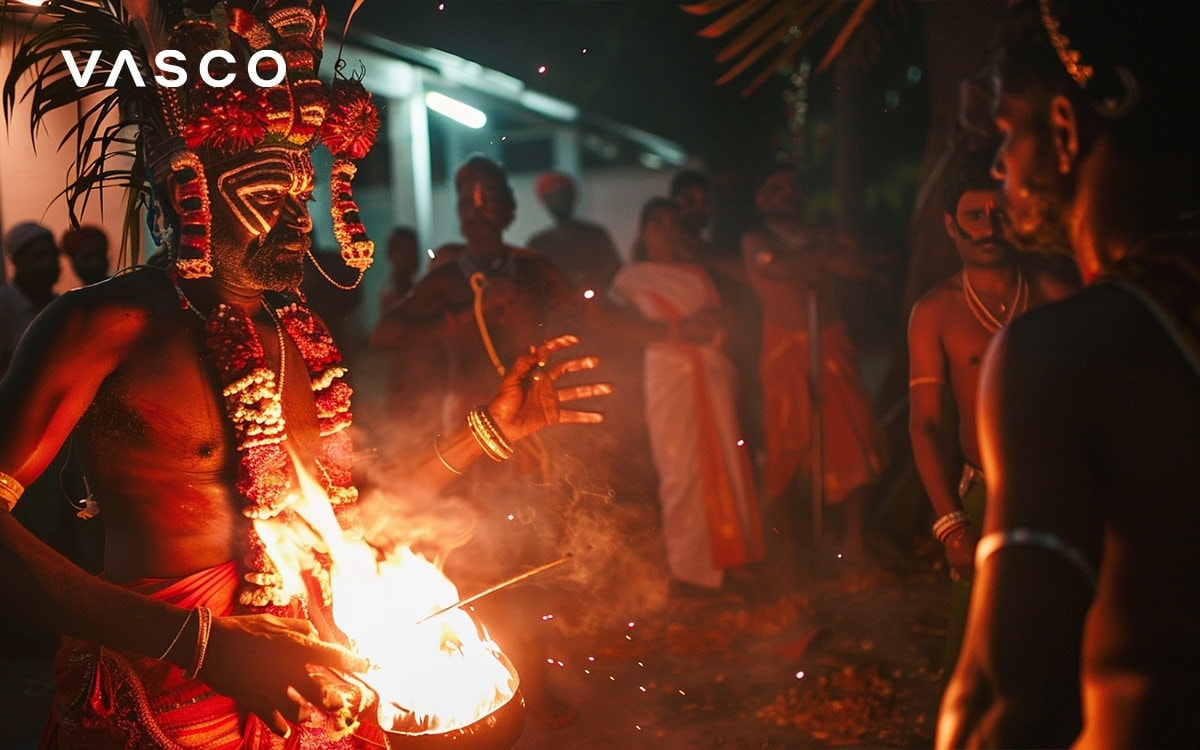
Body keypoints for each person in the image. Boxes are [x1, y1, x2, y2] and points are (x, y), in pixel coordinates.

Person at [0, 1, 607, 746]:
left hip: (311, 677)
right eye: (264, 196)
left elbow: (346, 517)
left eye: (302, 196)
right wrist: (203, 646)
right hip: (167, 692)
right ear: (181, 193)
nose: (298, 222)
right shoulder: (104, 324)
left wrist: (486, 431)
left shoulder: (295, 333)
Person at [937, 1, 1200, 746]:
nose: (997, 166)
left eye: (1002, 131)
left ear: (1063, 128)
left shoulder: (1071, 352)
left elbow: (1005, 705)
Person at [907, 142, 1077, 672]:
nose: (986, 227)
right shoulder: (935, 312)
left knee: (1062, 640)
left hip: (1061, 493)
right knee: (975, 655)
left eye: (997, 213)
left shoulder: (1055, 290)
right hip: (981, 497)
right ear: (951, 226)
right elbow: (926, 423)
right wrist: (952, 527)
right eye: (973, 216)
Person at [610, 198, 764, 594]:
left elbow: (727, 321)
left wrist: (717, 325)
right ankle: (688, 567)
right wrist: (679, 329)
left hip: (712, 373)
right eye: (657, 224)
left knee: (727, 461)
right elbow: (618, 328)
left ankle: (732, 557)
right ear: (643, 234)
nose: (667, 231)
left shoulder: (699, 273)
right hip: (667, 375)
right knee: (679, 469)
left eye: (673, 223)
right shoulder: (631, 279)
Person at [741, 165, 888, 559]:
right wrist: (823, 253)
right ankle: (786, 549)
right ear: (761, 199)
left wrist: (810, 255)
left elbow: (857, 268)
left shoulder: (817, 234)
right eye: (775, 187)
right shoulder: (756, 238)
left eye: (792, 186)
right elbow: (774, 267)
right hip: (783, 351)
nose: (786, 193)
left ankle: (853, 543)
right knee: (786, 441)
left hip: (830, 345)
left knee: (848, 439)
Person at [372, 156, 578, 431]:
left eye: (489, 201)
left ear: (509, 209)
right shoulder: (447, 278)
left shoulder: (535, 270)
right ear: (458, 211)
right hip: (465, 417)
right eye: (467, 202)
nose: (477, 211)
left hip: (530, 414)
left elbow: (588, 319)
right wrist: (470, 311)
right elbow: (384, 335)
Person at [526, 170, 622, 293]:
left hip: (595, 304)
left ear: (572, 197)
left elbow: (614, 271)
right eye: (552, 197)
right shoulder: (538, 244)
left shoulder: (595, 236)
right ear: (545, 202)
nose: (559, 201)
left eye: (562, 195)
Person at [378, 226, 420, 314]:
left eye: (414, 250)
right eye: (405, 251)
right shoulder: (393, 295)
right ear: (390, 255)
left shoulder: (412, 287)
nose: (413, 257)